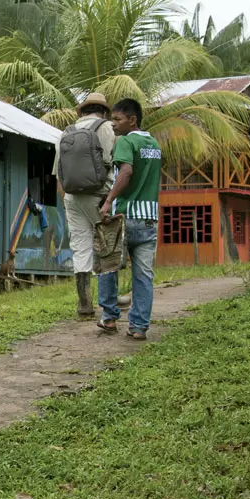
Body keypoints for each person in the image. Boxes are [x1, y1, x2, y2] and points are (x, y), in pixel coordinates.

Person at [97, 98, 162, 340]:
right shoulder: (154, 144)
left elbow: (126, 172)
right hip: (149, 219)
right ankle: (138, 327)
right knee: (143, 274)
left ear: (132, 120)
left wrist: (107, 201)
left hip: (125, 217)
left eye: (117, 119)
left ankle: (110, 317)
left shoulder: (126, 141)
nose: (113, 124)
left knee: (108, 264)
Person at [54, 92, 115, 318]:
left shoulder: (65, 134)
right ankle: (110, 299)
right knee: (108, 246)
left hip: (71, 198)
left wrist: (66, 204)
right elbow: (114, 163)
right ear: (104, 111)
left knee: (81, 248)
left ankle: (84, 303)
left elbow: (58, 175)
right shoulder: (107, 128)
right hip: (100, 196)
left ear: (82, 111)